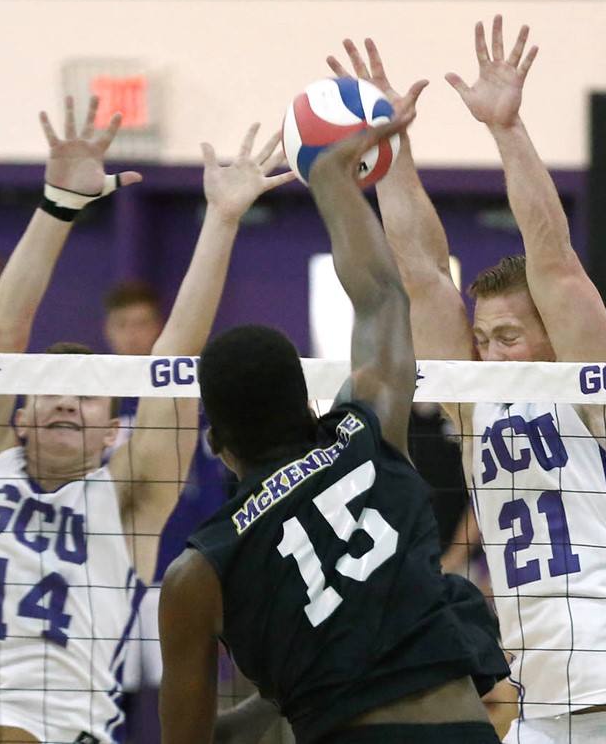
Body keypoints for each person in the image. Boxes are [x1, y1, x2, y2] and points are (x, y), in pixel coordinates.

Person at [358, 17, 606, 743]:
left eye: (508, 337)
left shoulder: (596, 403)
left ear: (553, 338)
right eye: (482, 340)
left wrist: (507, 130)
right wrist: (391, 155)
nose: (490, 354)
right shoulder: (474, 409)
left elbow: (555, 261)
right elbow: (421, 276)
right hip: (536, 714)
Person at [0, 97, 291, 744]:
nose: (65, 401)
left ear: (111, 431)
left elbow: (175, 358)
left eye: (88, 397)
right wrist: (58, 205)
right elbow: (0, 335)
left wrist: (223, 221)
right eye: (48, 393)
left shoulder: (127, 500)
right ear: (20, 419)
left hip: (79, 728)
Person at [158, 110, 509, 744]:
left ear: (218, 446)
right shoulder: (366, 436)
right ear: (312, 406)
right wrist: (330, 180)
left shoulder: (198, 570)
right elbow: (383, 297)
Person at [101, 281, 232, 743]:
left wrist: (217, 571)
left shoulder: (185, 399)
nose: (134, 336)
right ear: (108, 331)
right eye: (123, 326)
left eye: (142, 325)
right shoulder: (95, 401)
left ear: (157, 328)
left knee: (181, 698)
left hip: (175, 576)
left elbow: (213, 492)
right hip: (109, 579)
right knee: (108, 697)